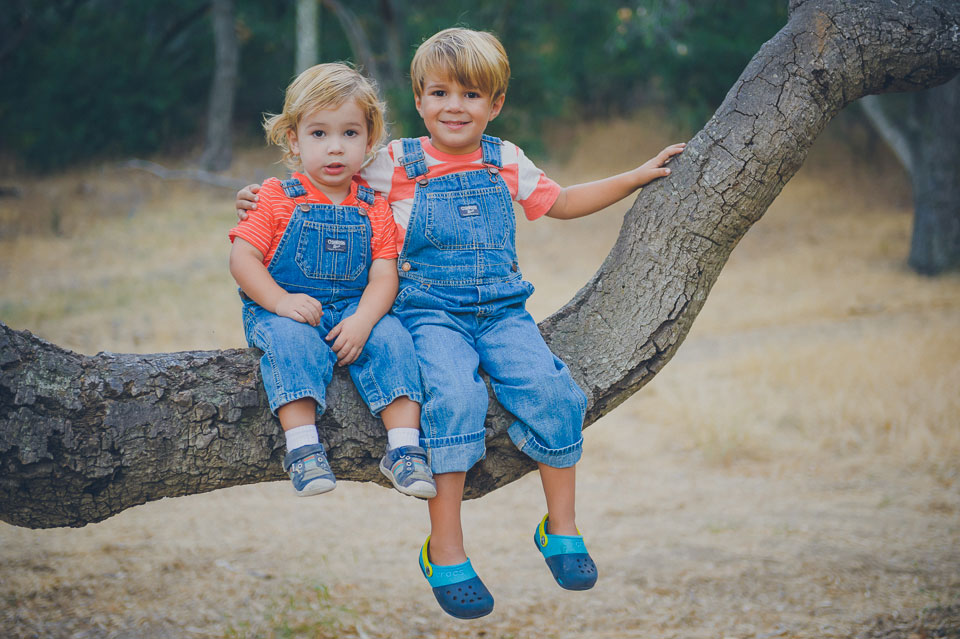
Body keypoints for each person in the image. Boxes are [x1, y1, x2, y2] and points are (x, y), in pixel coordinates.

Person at [236, 29, 684, 619]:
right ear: (419, 101)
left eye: (471, 94)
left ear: (494, 104)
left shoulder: (506, 161)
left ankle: (563, 528)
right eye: (440, 92)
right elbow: (324, 179)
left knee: (553, 389)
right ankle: (445, 548)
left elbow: (565, 201)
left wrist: (635, 175)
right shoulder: (391, 163)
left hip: (503, 312)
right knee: (451, 396)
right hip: (427, 314)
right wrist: (259, 198)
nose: (454, 106)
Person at [228, 63, 436, 502]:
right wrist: (281, 302)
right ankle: (303, 447)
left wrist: (364, 319)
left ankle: (404, 450)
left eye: (350, 134)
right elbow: (243, 259)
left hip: (355, 310)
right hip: (287, 308)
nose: (335, 148)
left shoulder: (374, 206)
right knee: (292, 344)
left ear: (369, 139)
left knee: (395, 340)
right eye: (319, 134)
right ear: (294, 140)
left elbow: (385, 273)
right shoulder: (274, 196)